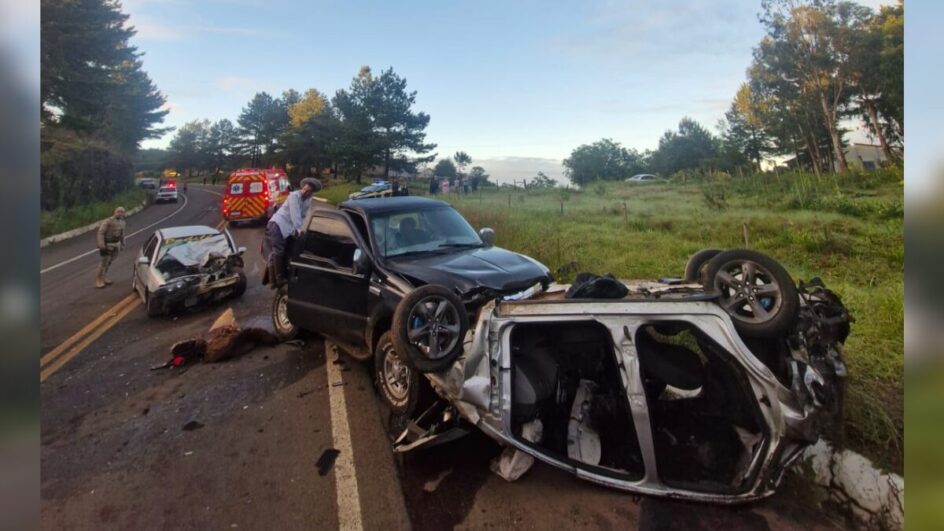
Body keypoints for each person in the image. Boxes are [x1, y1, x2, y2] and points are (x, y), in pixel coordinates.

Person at [264, 177, 322, 286]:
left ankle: (273, 279)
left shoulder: (308, 200)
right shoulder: (294, 196)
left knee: (285, 250)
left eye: (308, 191)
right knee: (279, 250)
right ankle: (278, 278)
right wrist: (301, 232)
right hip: (278, 223)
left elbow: (303, 216)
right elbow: (295, 216)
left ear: (311, 192)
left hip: (288, 227)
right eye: (304, 190)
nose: (305, 192)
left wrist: (305, 228)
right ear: (302, 188)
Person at [96, 206, 126, 288]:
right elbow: (101, 233)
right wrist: (101, 244)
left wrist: (123, 244)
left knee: (109, 262)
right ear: (114, 212)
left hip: (116, 244)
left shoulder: (122, 222)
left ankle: (104, 277)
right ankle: (99, 280)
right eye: (118, 211)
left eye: (122, 212)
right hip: (107, 244)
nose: (120, 213)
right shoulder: (108, 221)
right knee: (104, 262)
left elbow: (122, 234)